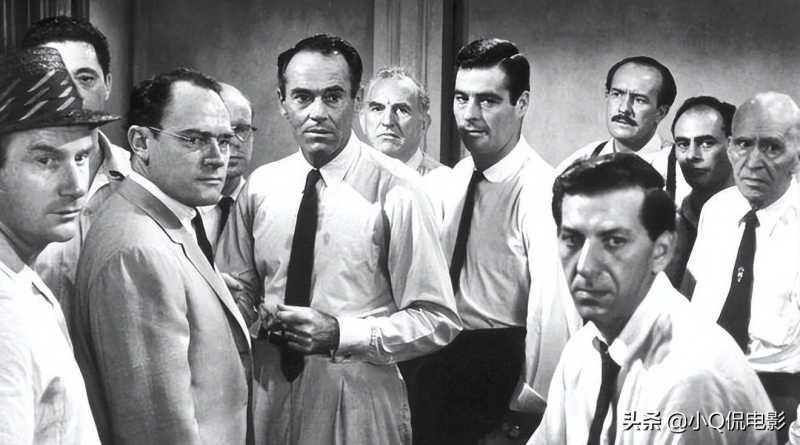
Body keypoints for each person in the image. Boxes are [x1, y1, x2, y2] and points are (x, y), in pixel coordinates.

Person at [216, 34, 460, 445]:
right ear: (282, 101)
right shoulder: (261, 187)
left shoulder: (398, 190)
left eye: (333, 97)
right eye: (302, 97)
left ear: (356, 99)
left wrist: (341, 334)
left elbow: (437, 319)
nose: (317, 113)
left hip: (358, 400)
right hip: (267, 395)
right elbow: (237, 293)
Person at [531, 152, 776, 445]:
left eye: (614, 241)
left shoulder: (691, 375)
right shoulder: (584, 348)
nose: (585, 266)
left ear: (661, 251)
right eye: (572, 239)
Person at [68, 68, 253, 444]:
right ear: (141, 142)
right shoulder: (138, 251)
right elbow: (156, 430)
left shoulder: (165, 218)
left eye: (224, 140)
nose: (218, 158)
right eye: (194, 139)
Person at [418, 38, 578, 445]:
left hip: (497, 371)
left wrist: (524, 415)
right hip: (435, 364)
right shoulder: (455, 178)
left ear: (522, 103)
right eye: (461, 98)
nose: (469, 115)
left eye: (487, 101)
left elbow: (551, 315)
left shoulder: (542, 189)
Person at [0, 46, 119, 444]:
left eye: (82, 157)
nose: (76, 186)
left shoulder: (20, 274)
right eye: (46, 160)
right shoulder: (5, 315)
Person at [687, 92, 800, 443]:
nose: (752, 162)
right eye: (743, 144)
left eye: (771, 147)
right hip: (703, 387)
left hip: (777, 397)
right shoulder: (716, 210)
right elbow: (693, 306)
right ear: (730, 147)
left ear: (798, 155)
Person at [23, 15, 132, 313]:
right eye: (51, 79)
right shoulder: (8, 182)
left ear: (107, 85)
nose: (69, 93)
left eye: (85, 79)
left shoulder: (142, 179)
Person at [557, 56, 688, 202]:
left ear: (661, 112)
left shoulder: (683, 170)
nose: (624, 108)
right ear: (607, 96)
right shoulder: (577, 163)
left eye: (639, 100)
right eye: (617, 94)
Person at [663, 96, 735, 289]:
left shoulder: (759, 221)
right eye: (683, 144)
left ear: (733, 147)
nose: (691, 155)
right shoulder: (669, 223)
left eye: (706, 143)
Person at [197, 82, 256, 250]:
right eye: (222, 131)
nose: (234, 142)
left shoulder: (266, 206)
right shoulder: (178, 210)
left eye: (242, 129)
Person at [361, 66, 449, 177]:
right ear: (362, 121)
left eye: (402, 110)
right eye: (377, 109)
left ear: (424, 124)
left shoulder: (447, 182)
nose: (387, 121)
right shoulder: (349, 179)